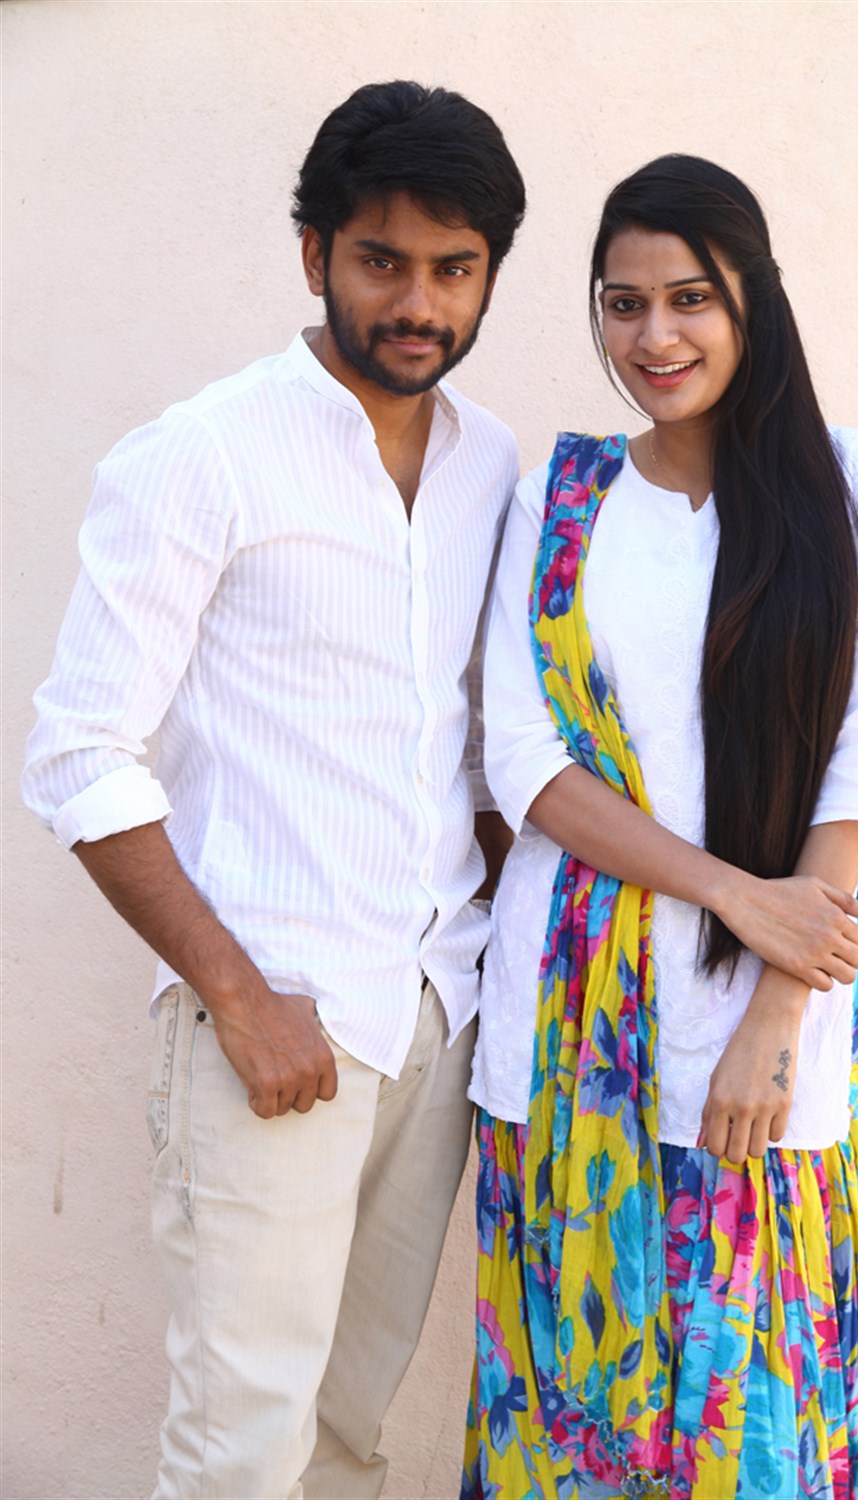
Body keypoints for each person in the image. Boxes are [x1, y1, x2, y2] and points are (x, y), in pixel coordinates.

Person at [22, 80, 525, 1500]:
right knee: (240, 1455)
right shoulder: (207, 452)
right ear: (314, 254)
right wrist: (240, 1000)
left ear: (490, 271)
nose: (418, 303)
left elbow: (469, 742)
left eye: (454, 268)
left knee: (350, 1434)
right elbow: (77, 753)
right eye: (382, 261)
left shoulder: (490, 461)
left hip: (434, 1019)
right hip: (271, 1024)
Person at [463, 155, 858, 1499]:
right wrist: (733, 892)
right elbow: (525, 761)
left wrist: (776, 1013)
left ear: (752, 301)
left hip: (771, 1010)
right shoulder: (558, 498)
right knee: (570, 1419)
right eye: (623, 304)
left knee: (755, 1418)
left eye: (689, 299)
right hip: (569, 1025)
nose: (653, 336)